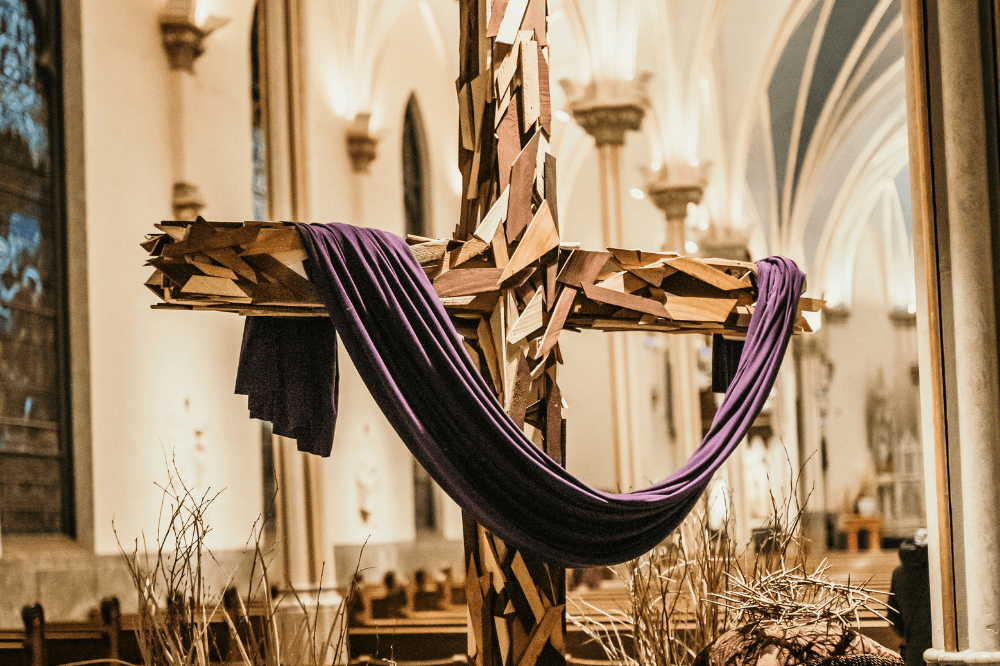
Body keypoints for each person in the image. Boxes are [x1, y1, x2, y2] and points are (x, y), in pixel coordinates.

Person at [888, 528, 932, 666]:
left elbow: (892, 613)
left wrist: (908, 635)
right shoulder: (938, 569)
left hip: (913, 649)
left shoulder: (899, 573)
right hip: (942, 648)